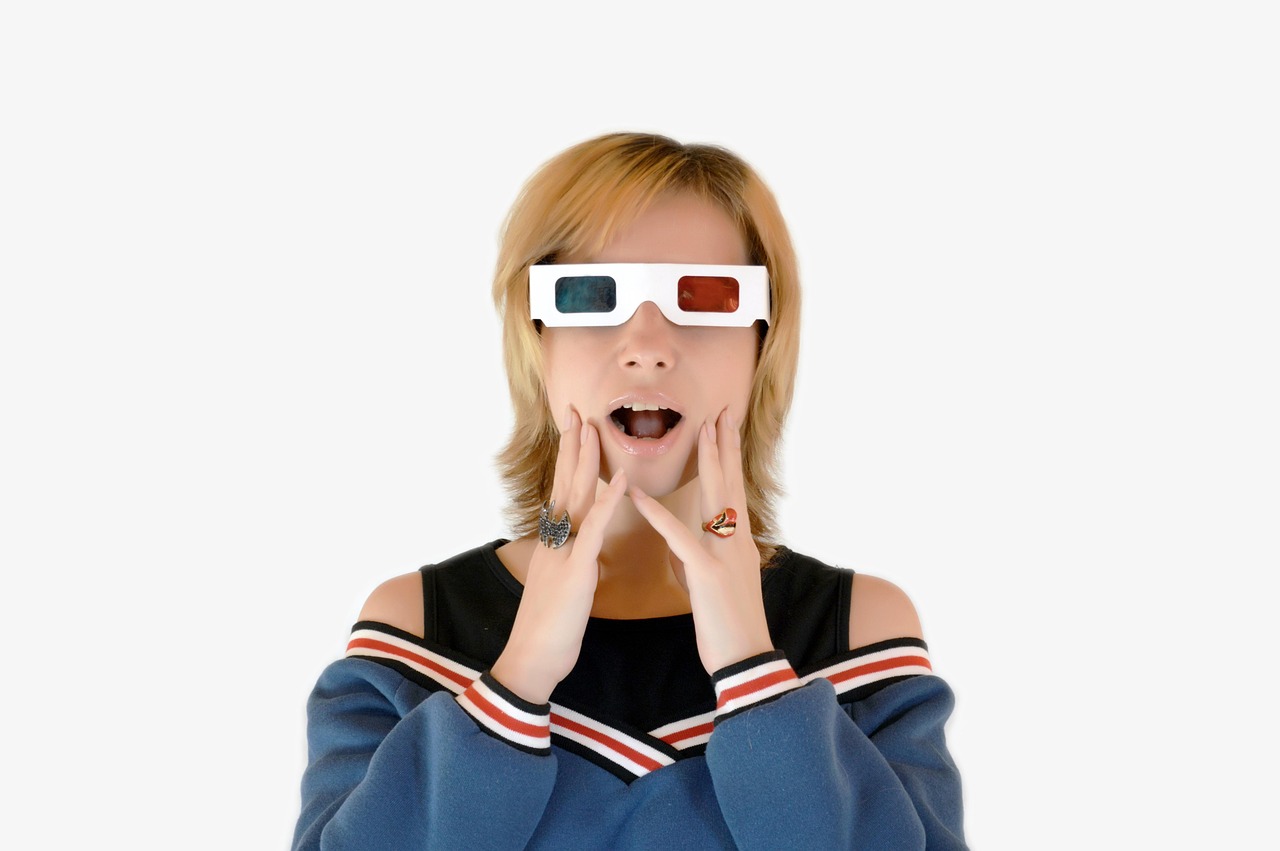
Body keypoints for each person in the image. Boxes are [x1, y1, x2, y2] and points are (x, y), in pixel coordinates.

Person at [292, 132, 966, 850]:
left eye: (704, 299)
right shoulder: (414, 630)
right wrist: (518, 678)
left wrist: (752, 666)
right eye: (591, 296)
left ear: (762, 346)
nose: (647, 345)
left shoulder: (858, 635)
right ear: (536, 341)